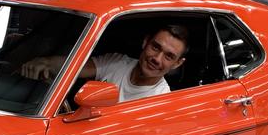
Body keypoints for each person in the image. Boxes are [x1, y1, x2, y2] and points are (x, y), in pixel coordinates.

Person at [21, 24, 190, 102]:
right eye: (155, 47)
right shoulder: (118, 62)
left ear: (177, 64)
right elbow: (75, 66)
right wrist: (45, 62)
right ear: (145, 42)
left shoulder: (160, 100)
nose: (157, 58)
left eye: (168, 56)